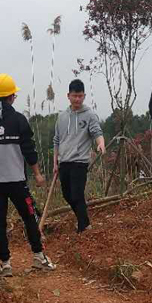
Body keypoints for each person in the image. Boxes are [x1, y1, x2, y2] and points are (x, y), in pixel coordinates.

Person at [0, 73, 56, 276]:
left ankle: (5, 264)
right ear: (11, 97)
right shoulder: (18, 120)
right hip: (17, 180)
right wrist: (37, 174)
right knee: (29, 217)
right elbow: (29, 150)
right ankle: (39, 257)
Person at [53, 79, 105, 233]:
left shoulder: (89, 115)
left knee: (76, 194)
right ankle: (84, 222)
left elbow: (97, 132)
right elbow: (56, 140)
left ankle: (84, 226)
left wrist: (100, 143)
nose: (77, 99)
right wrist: (55, 162)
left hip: (80, 161)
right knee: (67, 195)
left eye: (80, 96)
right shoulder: (62, 117)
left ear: (84, 96)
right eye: (74, 96)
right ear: (68, 96)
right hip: (64, 161)